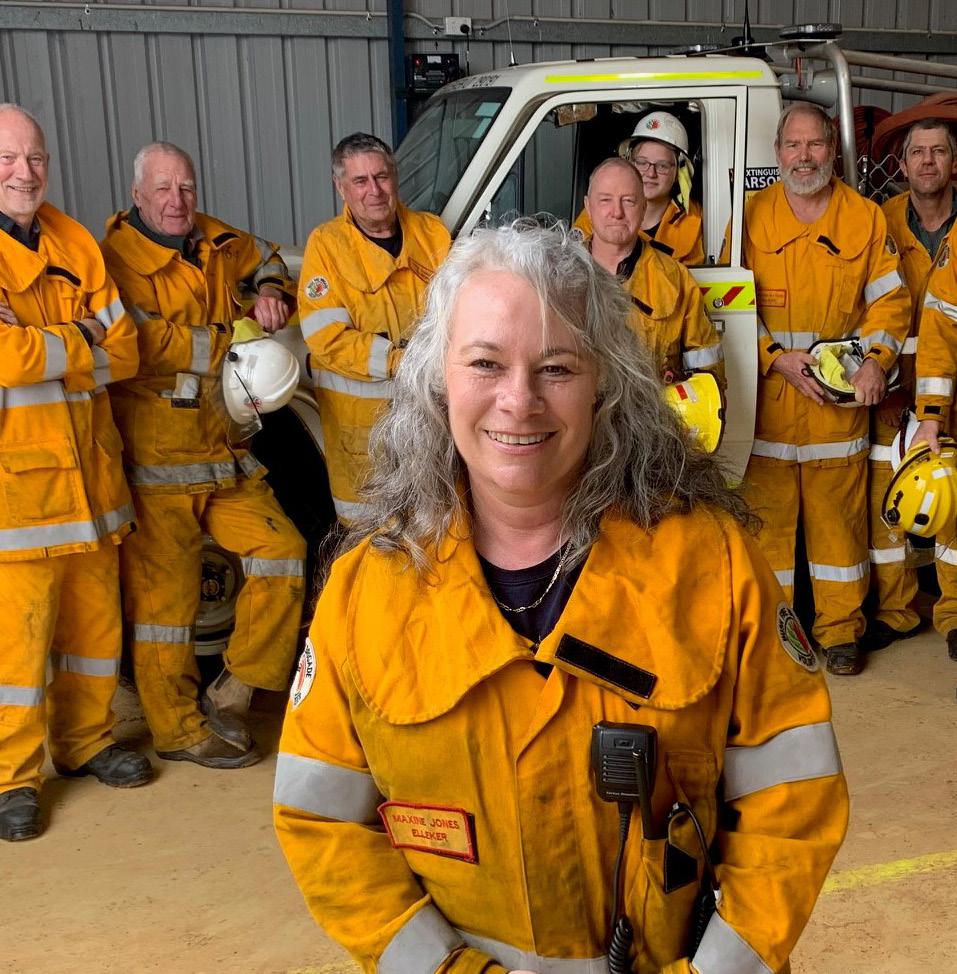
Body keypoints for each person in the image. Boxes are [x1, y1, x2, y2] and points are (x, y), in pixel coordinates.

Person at [273, 220, 848, 972]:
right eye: (485, 362)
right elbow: (320, 821)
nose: (519, 400)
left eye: (556, 368)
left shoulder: (714, 564)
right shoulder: (364, 589)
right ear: (438, 376)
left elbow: (792, 802)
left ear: (605, 381)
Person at [100, 141, 306, 769]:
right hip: (157, 461)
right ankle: (178, 730)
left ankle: (235, 690)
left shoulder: (214, 239)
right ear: (137, 195)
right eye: (163, 189)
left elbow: (268, 257)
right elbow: (141, 343)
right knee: (165, 608)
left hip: (222, 452)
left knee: (283, 552)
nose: (177, 200)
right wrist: (229, 342)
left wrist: (269, 291)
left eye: (186, 187)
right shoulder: (115, 261)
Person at [0, 104, 152, 842]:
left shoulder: (74, 241)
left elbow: (124, 352)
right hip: (16, 496)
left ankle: (86, 742)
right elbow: (6, 361)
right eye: (7, 159)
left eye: (34, 158)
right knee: (16, 650)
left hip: (91, 486)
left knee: (94, 635)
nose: (24, 173)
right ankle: (12, 778)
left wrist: (47, 342)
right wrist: (82, 334)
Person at [742, 103, 910, 677]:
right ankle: (774, 636)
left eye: (815, 145)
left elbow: (890, 303)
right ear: (777, 153)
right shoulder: (750, 217)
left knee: (839, 529)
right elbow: (728, 305)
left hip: (837, 409)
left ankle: (840, 633)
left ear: (832, 152)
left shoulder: (863, 218)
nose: (804, 156)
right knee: (767, 533)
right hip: (769, 406)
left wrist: (876, 363)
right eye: (793, 145)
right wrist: (773, 358)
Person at [297, 132, 451, 522]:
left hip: (429, 417)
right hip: (361, 432)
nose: (375, 191)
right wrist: (403, 362)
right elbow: (327, 338)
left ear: (395, 177)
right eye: (360, 181)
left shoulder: (433, 234)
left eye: (381, 177)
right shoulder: (327, 246)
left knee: (434, 522)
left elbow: (460, 312)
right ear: (341, 188)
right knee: (368, 534)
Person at [868, 120, 957, 653]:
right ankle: (896, 611)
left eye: (938, 151)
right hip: (895, 390)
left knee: (954, 502)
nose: (927, 161)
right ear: (901, 166)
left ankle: (954, 615)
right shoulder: (878, 221)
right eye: (917, 152)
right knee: (889, 505)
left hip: (952, 389)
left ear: (953, 163)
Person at [584, 157, 723, 385]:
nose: (617, 212)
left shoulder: (675, 279)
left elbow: (707, 372)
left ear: (643, 207)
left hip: (653, 407)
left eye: (628, 201)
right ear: (588, 207)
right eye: (605, 200)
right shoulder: (560, 276)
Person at [576, 111, 705, 266]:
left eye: (662, 166)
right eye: (642, 163)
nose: (651, 173)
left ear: (679, 172)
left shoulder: (693, 221)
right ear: (630, 164)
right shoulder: (598, 211)